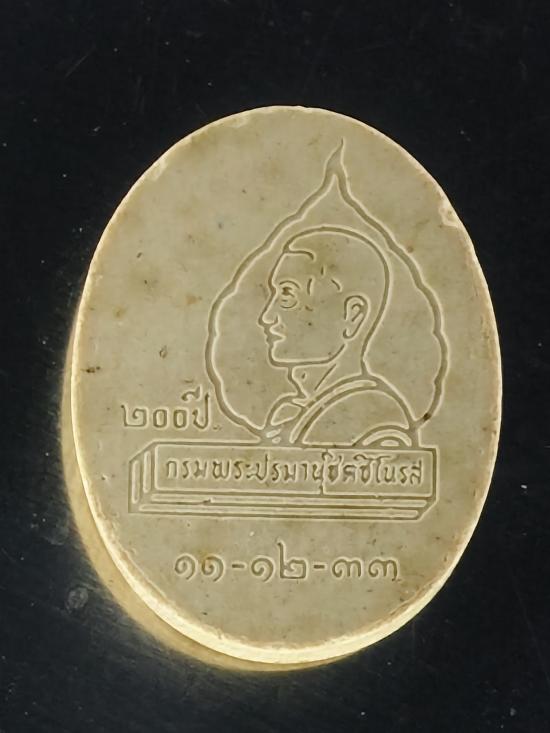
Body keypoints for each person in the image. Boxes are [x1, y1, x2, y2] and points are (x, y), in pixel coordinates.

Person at [257, 228, 416, 447]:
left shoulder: (374, 422)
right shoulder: (287, 414)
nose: (267, 317)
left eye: (287, 295)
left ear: (352, 316)